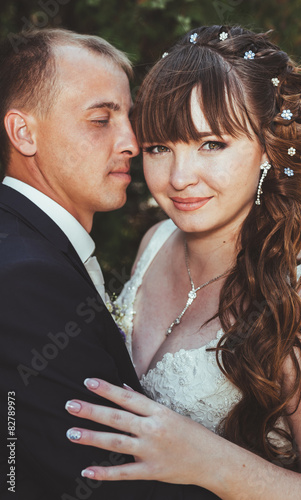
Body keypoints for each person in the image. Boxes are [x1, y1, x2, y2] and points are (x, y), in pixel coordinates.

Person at [65, 25, 301, 498]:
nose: (179, 178)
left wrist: (212, 462)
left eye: (211, 144)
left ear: (268, 149)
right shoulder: (155, 242)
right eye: (159, 148)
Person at [0, 28, 218, 500]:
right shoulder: (26, 277)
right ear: (24, 133)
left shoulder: (32, 244)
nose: (132, 144)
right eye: (101, 119)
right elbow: (98, 480)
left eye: (129, 118)